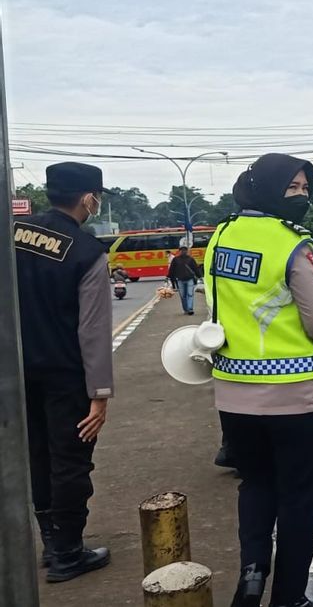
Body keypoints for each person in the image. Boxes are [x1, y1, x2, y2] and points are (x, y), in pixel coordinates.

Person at [205, 153, 313, 607]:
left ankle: (250, 582)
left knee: (255, 486)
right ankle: (289, 599)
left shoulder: (221, 237)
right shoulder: (293, 245)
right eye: (293, 189)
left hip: (233, 396)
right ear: (268, 189)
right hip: (297, 399)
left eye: (305, 189)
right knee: (300, 500)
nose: (301, 197)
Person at [14, 162, 113, 582]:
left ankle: (51, 544)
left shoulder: (13, 234)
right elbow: (92, 331)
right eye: (98, 196)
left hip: (16, 377)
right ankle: (68, 554)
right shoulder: (87, 251)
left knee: (37, 457)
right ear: (89, 198)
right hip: (65, 376)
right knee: (70, 462)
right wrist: (100, 394)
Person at [168, 242, 202, 315]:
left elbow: (195, 268)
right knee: (183, 296)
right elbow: (172, 270)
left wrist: (199, 276)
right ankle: (186, 309)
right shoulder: (175, 260)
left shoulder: (190, 259)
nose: (183, 251)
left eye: (185, 250)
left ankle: (190, 309)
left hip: (189, 279)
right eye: (182, 250)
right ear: (179, 251)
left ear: (187, 251)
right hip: (180, 279)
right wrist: (170, 278)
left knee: (190, 294)